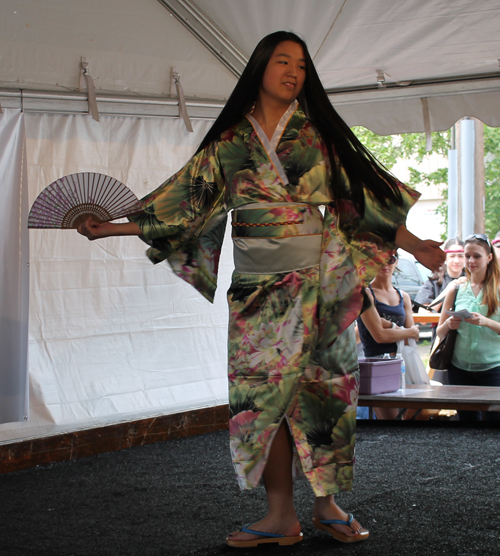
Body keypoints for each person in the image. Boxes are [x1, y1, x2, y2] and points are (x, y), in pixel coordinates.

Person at [77, 32, 444, 547]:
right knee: (261, 397)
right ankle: (279, 515)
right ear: (260, 68)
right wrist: (111, 225)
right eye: (282, 61)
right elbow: (182, 203)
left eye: (301, 65)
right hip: (258, 295)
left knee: (325, 391)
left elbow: (360, 203)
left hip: (321, 290)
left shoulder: (317, 137)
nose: (293, 71)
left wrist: (417, 244)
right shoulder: (230, 144)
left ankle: (327, 504)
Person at [436, 234, 500, 421]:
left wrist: (486, 322)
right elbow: (440, 332)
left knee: (494, 427)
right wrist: (449, 324)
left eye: (477, 256)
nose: (470, 261)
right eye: (467, 255)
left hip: (493, 369)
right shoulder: (456, 288)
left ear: (489, 257)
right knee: (467, 428)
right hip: (460, 369)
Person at [357, 252, 420, 419]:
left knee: (409, 417)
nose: (384, 263)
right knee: (390, 421)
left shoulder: (403, 296)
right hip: (377, 364)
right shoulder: (365, 293)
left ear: (396, 262)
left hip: (401, 361)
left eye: (390, 259)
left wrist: (391, 326)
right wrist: (405, 331)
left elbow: (414, 334)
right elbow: (379, 336)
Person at [415, 238, 466, 383]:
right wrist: (449, 291)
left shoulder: (473, 281)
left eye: (461, 255)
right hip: (443, 343)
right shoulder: (433, 282)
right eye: (452, 256)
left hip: (467, 344)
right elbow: (424, 318)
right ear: (445, 258)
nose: (456, 260)